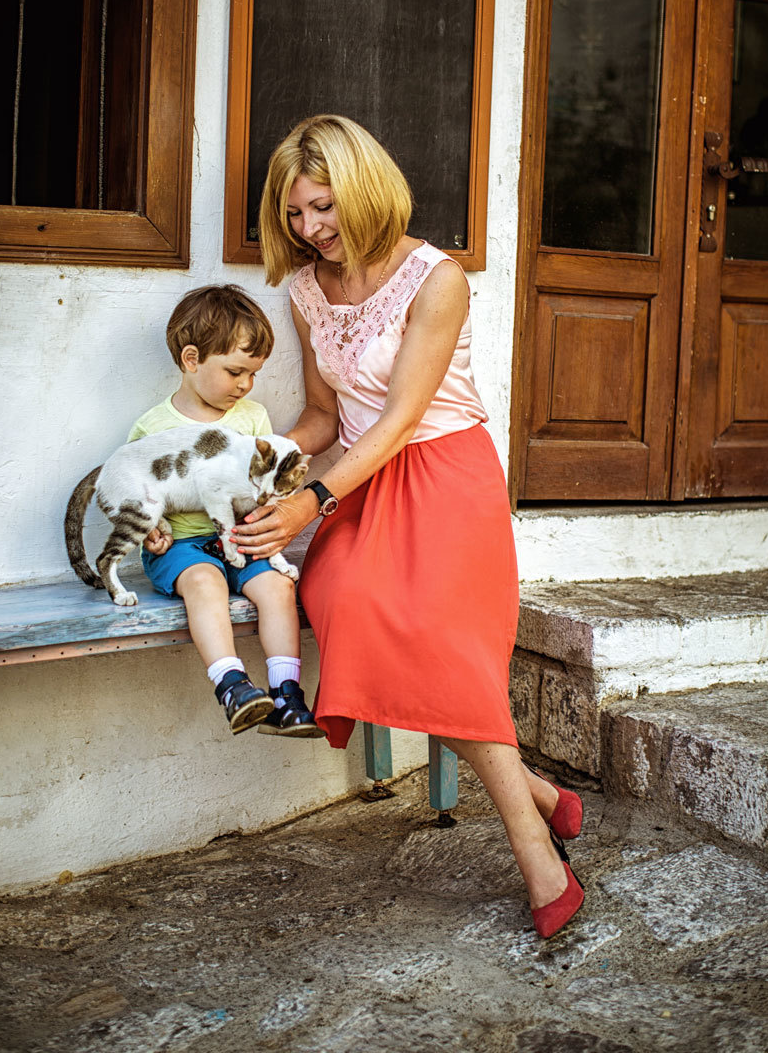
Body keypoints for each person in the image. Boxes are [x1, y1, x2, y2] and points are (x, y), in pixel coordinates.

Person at [232, 115, 585, 938]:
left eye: (323, 207)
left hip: (444, 478)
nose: (310, 228)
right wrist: (258, 456)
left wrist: (310, 503)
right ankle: (537, 794)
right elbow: (326, 416)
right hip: (360, 489)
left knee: (433, 640)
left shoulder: (437, 278)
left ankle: (533, 846)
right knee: (351, 605)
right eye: (294, 214)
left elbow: (397, 422)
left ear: (362, 190)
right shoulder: (306, 291)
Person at [130, 284, 323, 738]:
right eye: (235, 371)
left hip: (239, 538)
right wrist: (150, 528)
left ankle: (286, 695)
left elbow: (263, 485)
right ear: (191, 359)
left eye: (253, 374)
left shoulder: (252, 420)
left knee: (278, 586)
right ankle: (232, 685)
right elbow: (138, 490)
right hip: (182, 546)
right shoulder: (154, 427)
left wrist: (266, 521)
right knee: (206, 582)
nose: (245, 385)